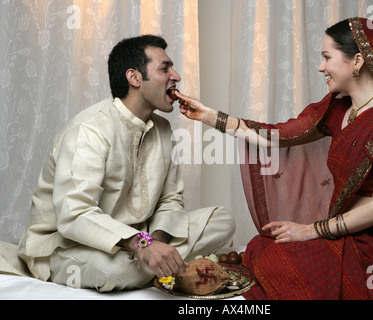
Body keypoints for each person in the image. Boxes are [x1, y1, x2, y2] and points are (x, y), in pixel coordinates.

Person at [175, 17, 373, 299]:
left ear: (357, 60)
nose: (320, 67)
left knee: (275, 260)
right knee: (262, 246)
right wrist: (209, 116)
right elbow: (275, 136)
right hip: (344, 233)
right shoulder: (341, 110)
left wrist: (313, 230)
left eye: (327, 57)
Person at [0, 35, 235, 292]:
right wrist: (143, 245)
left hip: (136, 239)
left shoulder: (163, 129)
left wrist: (154, 242)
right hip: (68, 244)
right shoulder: (90, 129)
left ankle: (156, 262)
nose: (176, 76)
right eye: (165, 68)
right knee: (116, 270)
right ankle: (154, 264)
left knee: (222, 220)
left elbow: (170, 200)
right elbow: (75, 214)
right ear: (134, 78)